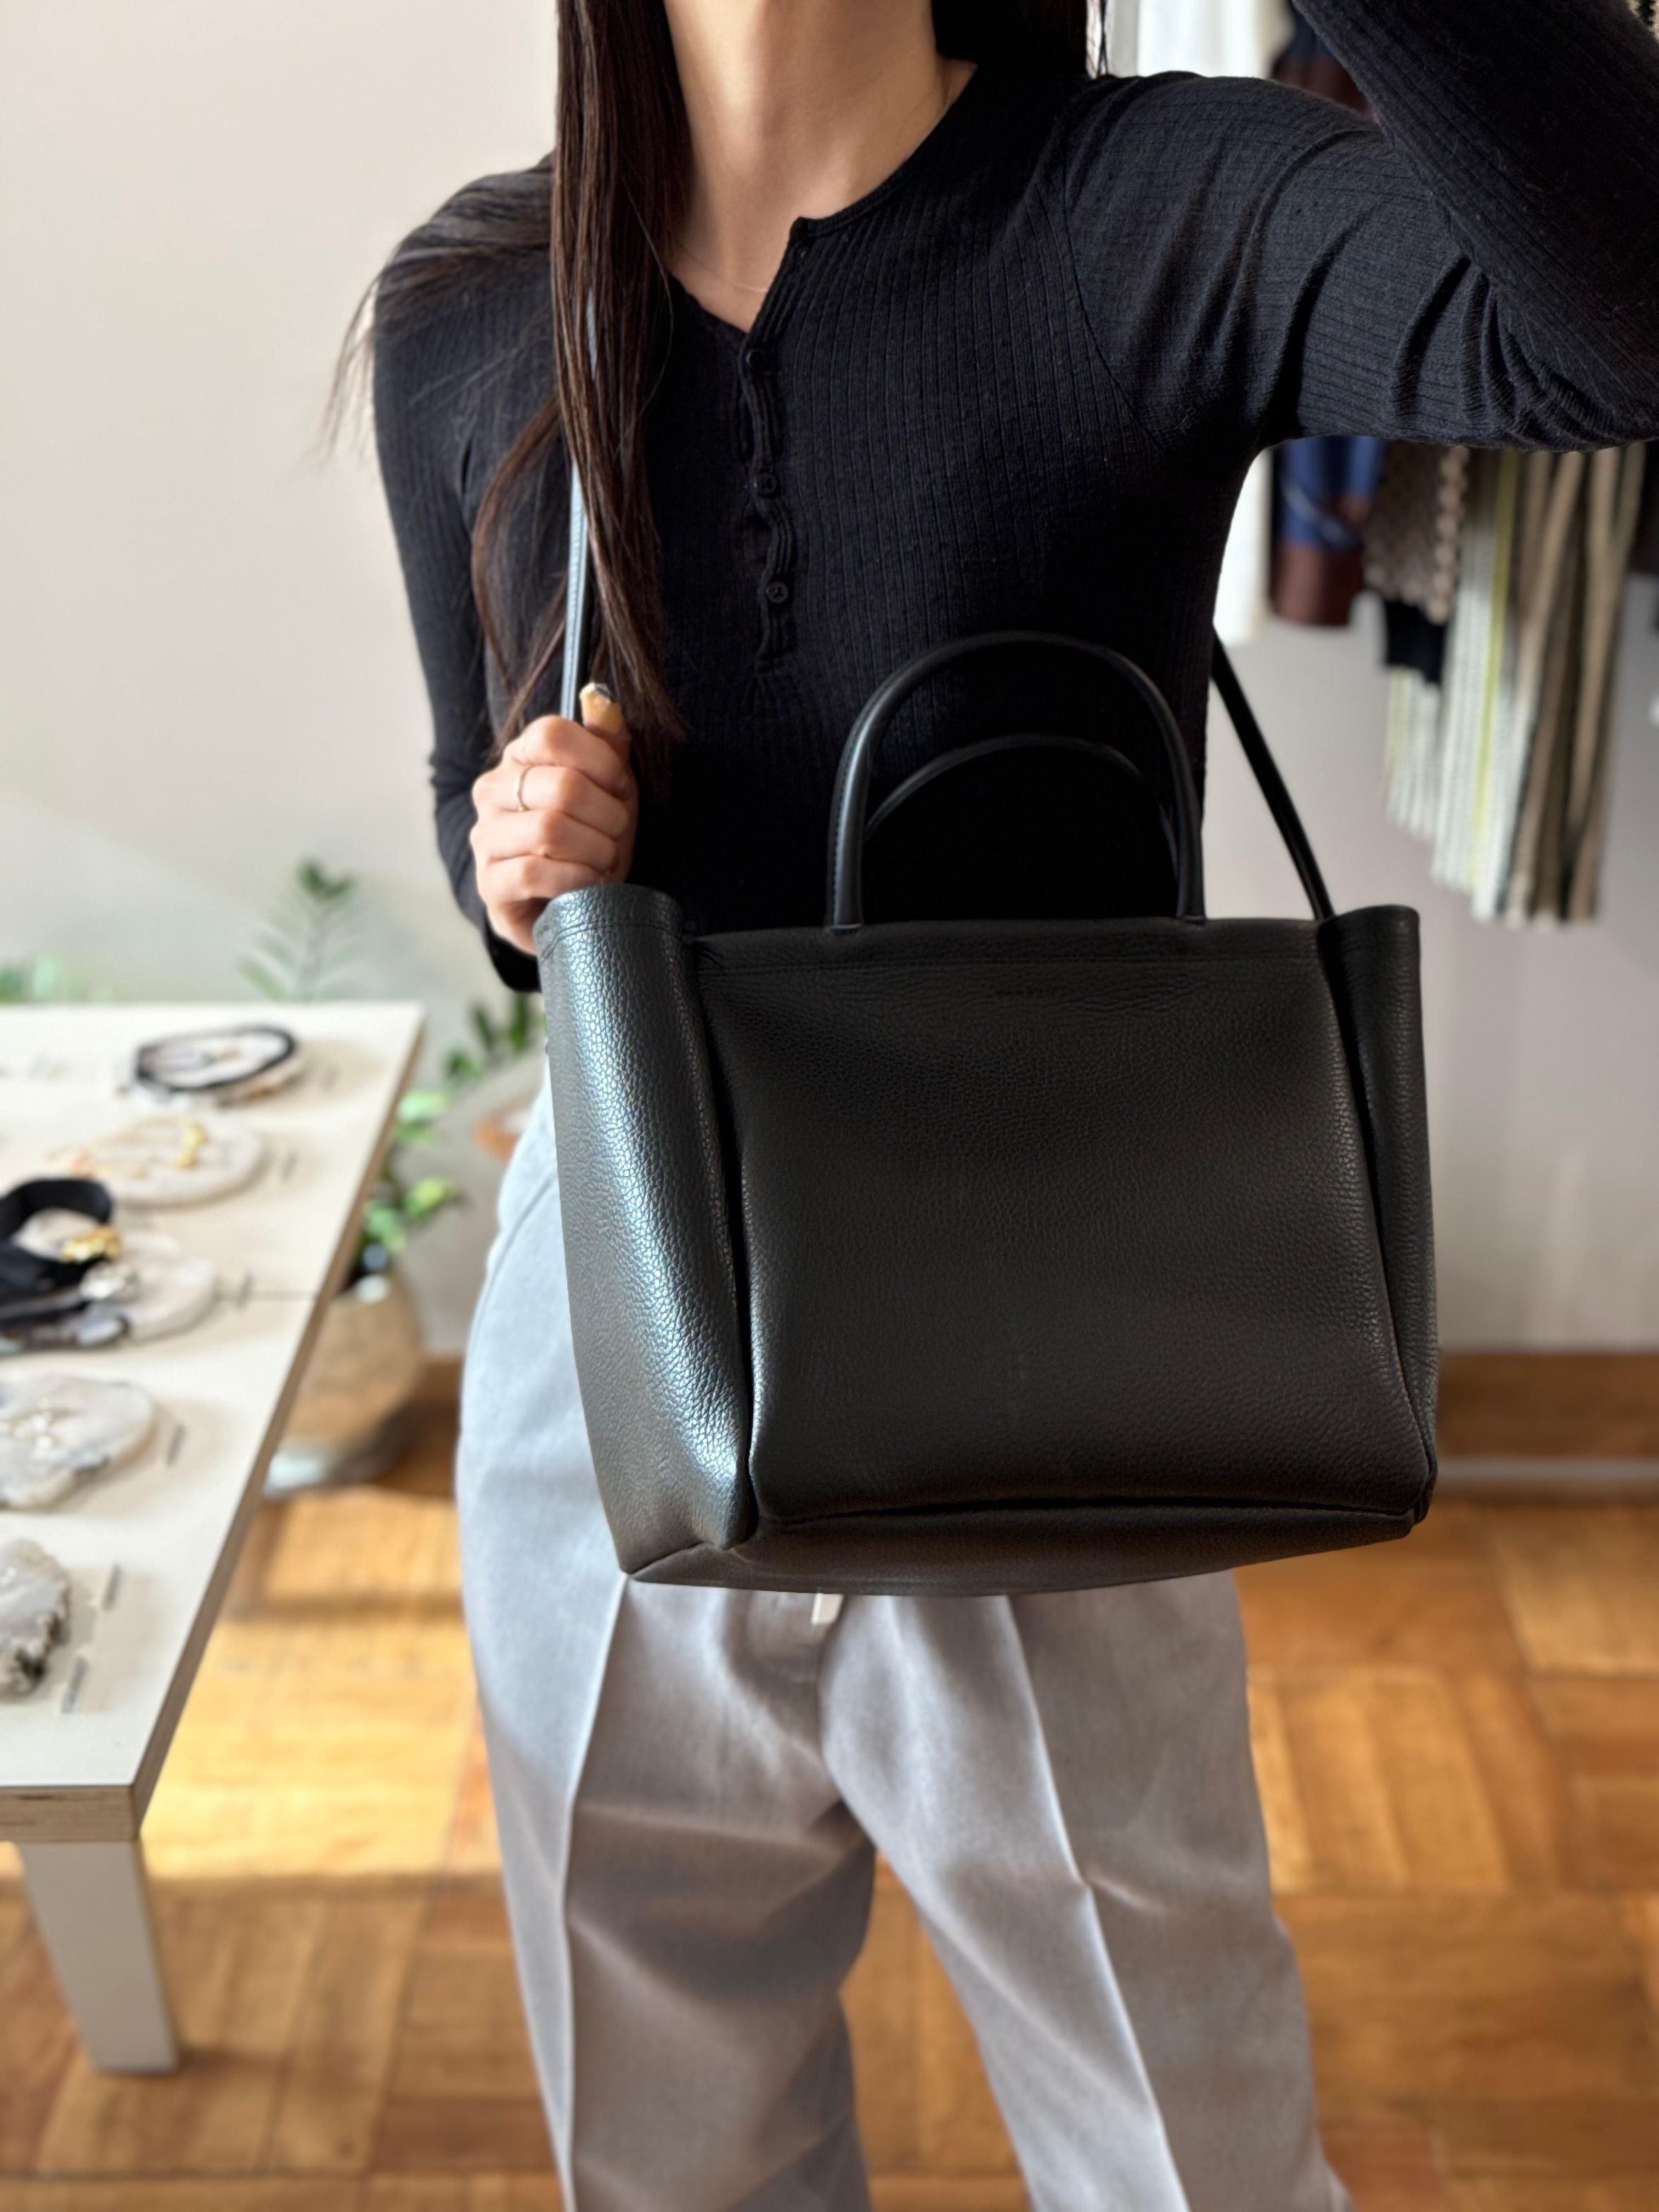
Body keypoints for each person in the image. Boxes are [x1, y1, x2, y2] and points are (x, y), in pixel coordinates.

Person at [367, 1, 1659, 2204]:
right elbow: (469, 801)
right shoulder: (476, 306)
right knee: (670, 2153)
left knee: (1187, 2153)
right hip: (618, 1326)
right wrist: (519, 859)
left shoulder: (1158, 203)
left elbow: (1616, 333)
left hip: (1063, 1322)